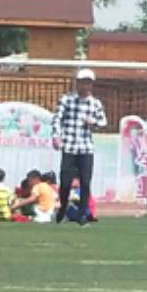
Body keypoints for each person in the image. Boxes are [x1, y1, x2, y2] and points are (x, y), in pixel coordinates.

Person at [52, 67, 106, 222]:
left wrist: (93, 122)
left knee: (85, 182)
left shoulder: (95, 103)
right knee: (65, 181)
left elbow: (103, 122)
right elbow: (57, 118)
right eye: (83, 82)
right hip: (69, 146)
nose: (86, 86)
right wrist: (56, 136)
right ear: (77, 83)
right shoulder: (66, 100)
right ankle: (63, 206)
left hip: (86, 147)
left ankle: (82, 214)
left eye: (89, 83)